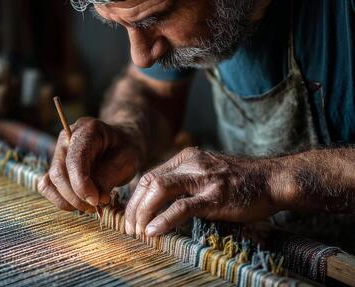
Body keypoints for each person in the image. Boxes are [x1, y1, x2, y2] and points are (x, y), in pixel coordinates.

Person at [37, 0, 355, 247]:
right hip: (263, 259)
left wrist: (272, 180)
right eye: (120, 26)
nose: (140, 56)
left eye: (155, 19)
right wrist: (128, 131)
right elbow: (149, 88)